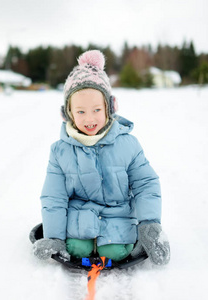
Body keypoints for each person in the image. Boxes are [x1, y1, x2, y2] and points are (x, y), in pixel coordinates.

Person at [33, 50, 170, 265]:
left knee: (115, 251)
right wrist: (55, 237)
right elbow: (54, 197)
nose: (89, 119)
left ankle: (110, 240)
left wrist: (149, 225)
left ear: (110, 107)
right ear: (67, 113)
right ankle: (77, 240)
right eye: (80, 112)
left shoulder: (128, 144)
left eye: (96, 109)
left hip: (118, 215)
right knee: (77, 248)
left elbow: (146, 184)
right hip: (79, 216)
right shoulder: (60, 151)